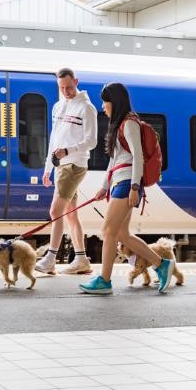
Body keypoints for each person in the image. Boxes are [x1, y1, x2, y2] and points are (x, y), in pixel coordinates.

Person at [78, 82, 174, 295]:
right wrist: (104, 188)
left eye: (105, 101)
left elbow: (138, 156)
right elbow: (114, 162)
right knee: (122, 233)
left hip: (126, 183)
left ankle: (104, 280)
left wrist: (134, 186)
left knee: (108, 231)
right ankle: (162, 264)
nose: (103, 106)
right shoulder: (120, 125)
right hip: (118, 183)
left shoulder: (130, 123)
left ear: (115, 101)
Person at [35, 68, 98, 276]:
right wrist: (48, 167)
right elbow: (54, 139)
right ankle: (81, 259)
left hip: (74, 165)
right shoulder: (58, 106)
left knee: (56, 211)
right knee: (71, 214)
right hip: (61, 165)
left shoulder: (87, 108)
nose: (66, 91)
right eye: (62, 88)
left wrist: (67, 152)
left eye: (69, 87)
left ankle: (51, 259)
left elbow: (92, 141)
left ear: (77, 81)